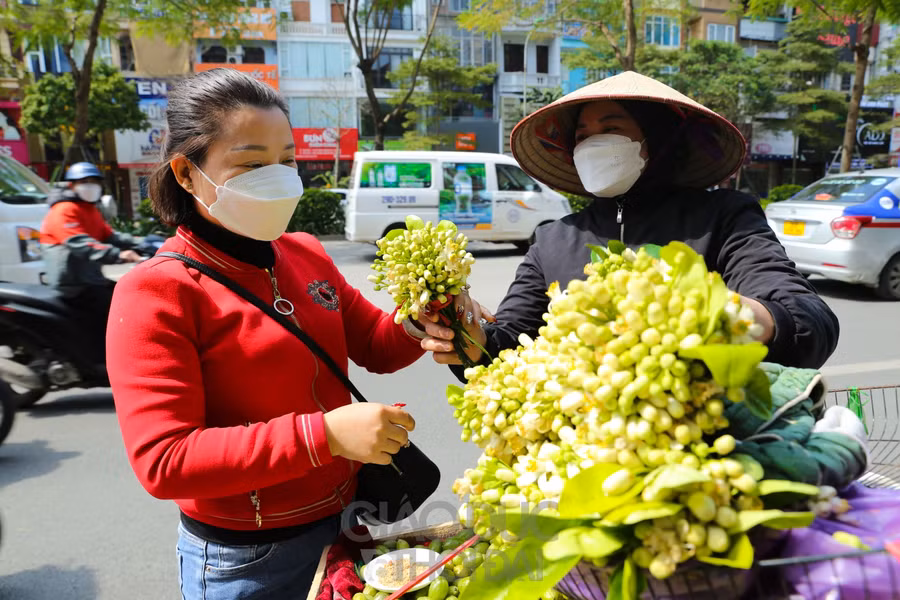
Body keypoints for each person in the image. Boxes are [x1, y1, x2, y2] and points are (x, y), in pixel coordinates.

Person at [106, 68, 427, 600]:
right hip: (248, 559)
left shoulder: (304, 252)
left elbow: (376, 343)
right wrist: (323, 436)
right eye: (252, 163)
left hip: (347, 526)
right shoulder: (156, 292)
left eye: (287, 160)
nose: (278, 177)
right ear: (187, 173)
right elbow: (165, 461)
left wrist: (424, 311)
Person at [418, 71, 839, 372]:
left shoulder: (724, 218)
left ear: (655, 141)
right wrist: (467, 338)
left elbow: (807, 320)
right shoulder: (553, 240)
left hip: (700, 455)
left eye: (612, 126)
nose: (592, 143)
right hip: (583, 454)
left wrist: (721, 313)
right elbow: (510, 341)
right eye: (582, 135)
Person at [39, 161, 142, 365]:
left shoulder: (89, 209)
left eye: (94, 181)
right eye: (84, 182)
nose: (90, 186)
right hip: (74, 283)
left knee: (126, 298)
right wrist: (119, 255)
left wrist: (142, 242)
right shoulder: (64, 209)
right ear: (71, 186)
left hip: (90, 278)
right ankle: (106, 361)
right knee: (113, 311)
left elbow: (110, 236)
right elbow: (79, 243)